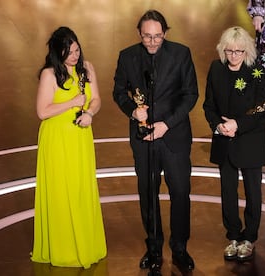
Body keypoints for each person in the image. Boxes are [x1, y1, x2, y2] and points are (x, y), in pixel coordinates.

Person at [112, 9, 198, 272]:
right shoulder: (127, 57)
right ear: (139, 34)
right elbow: (119, 92)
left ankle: (180, 249)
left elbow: (190, 95)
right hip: (143, 139)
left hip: (174, 137)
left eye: (157, 36)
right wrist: (132, 110)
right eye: (147, 36)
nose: (152, 42)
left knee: (180, 193)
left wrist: (166, 124)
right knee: (148, 195)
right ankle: (154, 249)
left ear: (166, 33)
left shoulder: (181, 54)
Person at [31, 26, 106, 268]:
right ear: (57, 52)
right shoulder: (50, 74)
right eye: (69, 52)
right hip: (57, 140)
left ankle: (85, 243)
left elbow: (96, 99)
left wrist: (90, 113)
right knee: (61, 190)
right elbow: (43, 112)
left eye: (77, 49)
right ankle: (64, 248)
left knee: (80, 188)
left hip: (80, 136)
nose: (75, 55)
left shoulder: (87, 68)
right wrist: (73, 103)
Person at [203, 26, 265, 262]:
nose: (233, 56)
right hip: (225, 141)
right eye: (229, 51)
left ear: (247, 51)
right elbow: (208, 105)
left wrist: (237, 125)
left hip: (250, 141)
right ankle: (233, 236)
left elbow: (263, 110)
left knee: (253, 193)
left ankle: (249, 238)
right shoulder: (216, 69)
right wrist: (218, 126)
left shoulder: (258, 73)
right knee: (227, 192)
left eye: (238, 51)